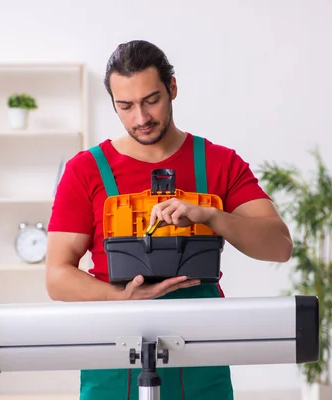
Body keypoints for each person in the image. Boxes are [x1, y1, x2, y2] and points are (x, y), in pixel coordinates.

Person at [45, 39, 293, 400]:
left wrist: (211, 215)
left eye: (151, 101)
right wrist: (120, 299)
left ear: (172, 88)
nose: (140, 118)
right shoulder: (85, 170)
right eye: (125, 106)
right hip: (113, 356)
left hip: (202, 353)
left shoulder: (219, 162)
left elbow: (279, 247)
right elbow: (56, 276)